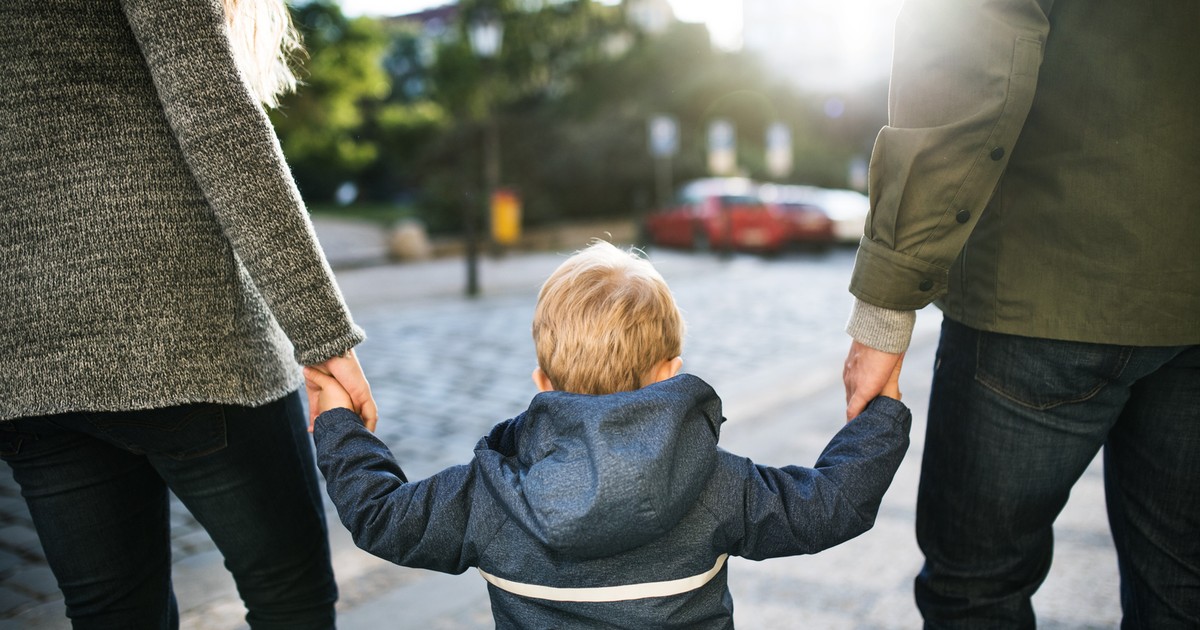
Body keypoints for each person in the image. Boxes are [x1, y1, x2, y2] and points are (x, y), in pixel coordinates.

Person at [0, 0, 377, 627]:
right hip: (181, 327)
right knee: (289, 594)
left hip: (25, 347)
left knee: (112, 613)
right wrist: (323, 334)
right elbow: (214, 113)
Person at [307, 241, 912, 629]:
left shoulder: (486, 497)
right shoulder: (715, 483)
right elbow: (831, 506)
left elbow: (380, 516)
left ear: (543, 379)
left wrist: (336, 421)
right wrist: (880, 411)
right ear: (670, 374)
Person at [841, 0, 1200, 627]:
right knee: (1181, 584)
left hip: (1041, 289)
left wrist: (884, 312)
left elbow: (966, 55)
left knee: (977, 590)